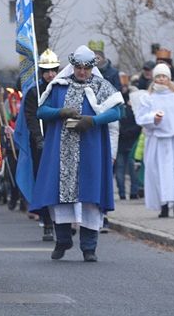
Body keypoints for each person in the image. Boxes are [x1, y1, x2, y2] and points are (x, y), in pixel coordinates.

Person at [30, 45, 122, 262]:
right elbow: (41, 111)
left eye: (86, 68)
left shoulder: (101, 86)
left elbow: (117, 111)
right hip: (61, 149)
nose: (82, 72)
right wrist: (60, 112)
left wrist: (93, 120)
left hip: (91, 148)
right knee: (60, 195)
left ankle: (89, 246)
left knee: (90, 196)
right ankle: (63, 240)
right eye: (78, 68)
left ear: (92, 67)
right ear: (73, 67)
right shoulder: (60, 86)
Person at [134, 64, 174, 217]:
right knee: (158, 173)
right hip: (156, 140)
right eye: (158, 76)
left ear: (169, 78)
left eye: (164, 76)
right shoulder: (148, 97)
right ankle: (163, 204)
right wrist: (153, 118)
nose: (161, 79)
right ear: (154, 78)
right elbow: (140, 118)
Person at [14, 48, 60, 241]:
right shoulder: (34, 92)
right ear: (41, 72)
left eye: (53, 70)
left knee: (60, 182)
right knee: (42, 183)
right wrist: (38, 138)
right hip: (40, 143)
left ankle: (63, 222)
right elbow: (31, 117)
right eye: (47, 71)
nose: (50, 74)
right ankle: (47, 222)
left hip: (59, 141)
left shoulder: (62, 89)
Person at [116, 73, 141, 201]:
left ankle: (127, 192)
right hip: (127, 140)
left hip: (126, 140)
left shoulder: (119, 105)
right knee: (127, 169)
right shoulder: (130, 105)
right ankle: (128, 192)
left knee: (127, 168)